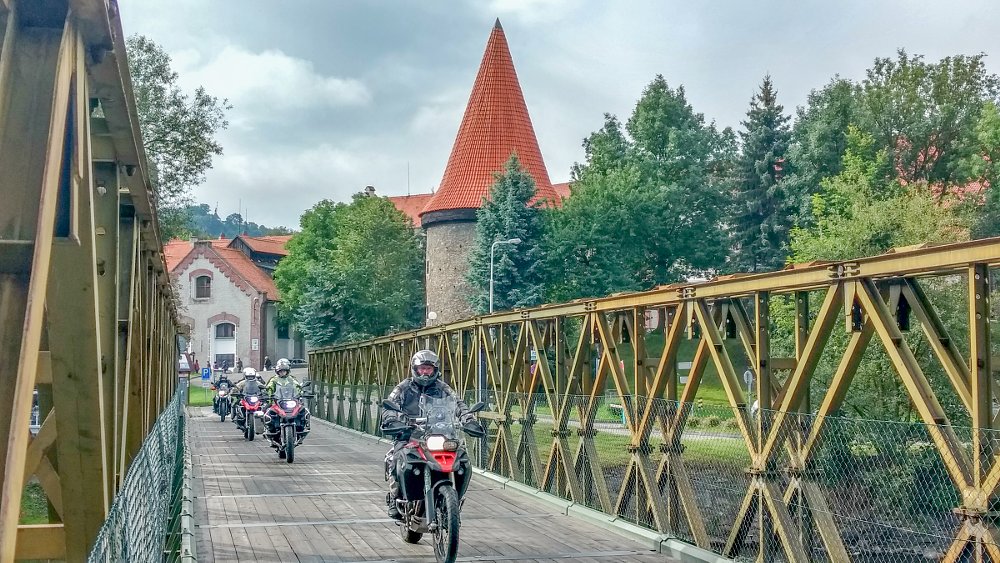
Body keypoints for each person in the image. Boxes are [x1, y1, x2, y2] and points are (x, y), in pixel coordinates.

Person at [381, 350, 472, 520]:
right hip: (409, 435)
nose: (425, 372)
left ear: (435, 370)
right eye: (422, 368)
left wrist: (468, 419)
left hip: (439, 434)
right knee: (396, 458)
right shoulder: (403, 388)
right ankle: (395, 498)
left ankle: (454, 499)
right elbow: (389, 406)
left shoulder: (443, 388)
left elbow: (459, 404)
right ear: (415, 368)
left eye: (428, 369)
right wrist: (393, 420)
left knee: (463, 459)